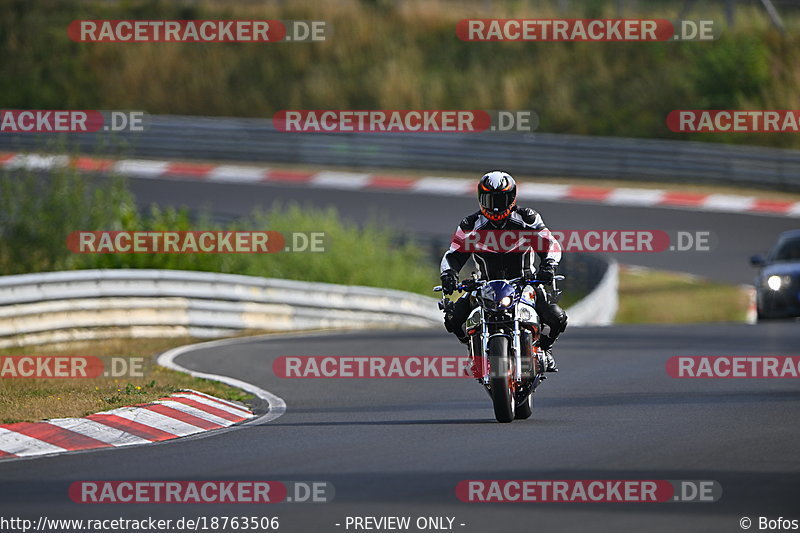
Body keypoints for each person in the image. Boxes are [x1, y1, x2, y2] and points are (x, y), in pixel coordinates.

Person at [439, 171, 568, 372]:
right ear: (480, 199)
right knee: (453, 318)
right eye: (490, 199)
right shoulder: (470, 225)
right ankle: (474, 352)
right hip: (484, 285)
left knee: (556, 317)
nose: (496, 206)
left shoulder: (527, 218)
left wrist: (549, 265)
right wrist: (449, 275)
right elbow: (453, 255)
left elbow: (550, 244)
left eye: (501, 199)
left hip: (525, 282)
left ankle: (544, 349)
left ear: (512, 198)